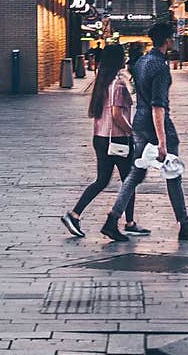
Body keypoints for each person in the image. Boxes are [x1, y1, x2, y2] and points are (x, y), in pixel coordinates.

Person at [100, 20, 188, 243]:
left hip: (140, 124)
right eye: (172, 37)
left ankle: (111, 221)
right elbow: (158, 106)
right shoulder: (160, 67)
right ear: (168, 40)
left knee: (134, 174)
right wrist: (162, 142)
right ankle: (185, 226)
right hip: (157, 126)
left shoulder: (142, 62)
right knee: (173, 173)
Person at [61, 43, 149, 238]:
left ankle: (74, 214)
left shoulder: (102, 81)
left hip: (100, 137)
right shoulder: (117, 84)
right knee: (129, 181)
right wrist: (133, 132)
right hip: (117, 138)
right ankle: (129, 222)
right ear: (117, 60)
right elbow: (117, 115)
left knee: (102, 180)